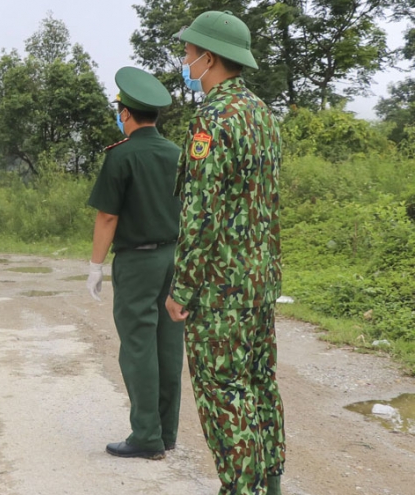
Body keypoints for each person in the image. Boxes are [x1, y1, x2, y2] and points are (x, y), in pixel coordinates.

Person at [164, 11, 285, 495]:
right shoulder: (262, 114)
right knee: (258, 382)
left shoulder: (213, 120)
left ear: (209, 57)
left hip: (220, 289)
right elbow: (267, 204)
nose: (185, 59)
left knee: (223, 391)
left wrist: (183, 289)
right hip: (258, 280)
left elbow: (201, 215)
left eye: (189, 52)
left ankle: (241, 488)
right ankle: (268, 483)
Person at [86, 67, 184, 460]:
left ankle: (146, 436)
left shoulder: (121, 156)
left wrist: (95, 266)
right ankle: (167, 431)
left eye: (119, 111)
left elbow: (107, 217)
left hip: (138, 261)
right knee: (168, 344)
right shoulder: (179, 153)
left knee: (139, 346)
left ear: (125, 114)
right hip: (175, 258)